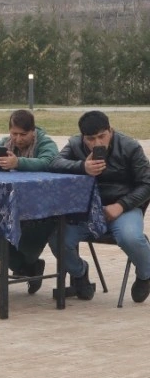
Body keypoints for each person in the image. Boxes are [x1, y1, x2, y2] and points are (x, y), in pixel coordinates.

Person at [50, 111, 150, 304]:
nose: (97, 143)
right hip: (86, 210)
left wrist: (121, 205)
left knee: (131, 237)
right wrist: (82, 166)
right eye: (91, 139)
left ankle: (145, 275)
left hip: (123, 208)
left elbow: (147, 184)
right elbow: (54, 163)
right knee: (57, 239)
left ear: (110, 131)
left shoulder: (130, 147)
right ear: (83, 137)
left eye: (102, 136)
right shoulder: (75, 144)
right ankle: (80, 273)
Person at [0, 109, 59, 292]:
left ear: (33, 131)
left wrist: (18, 163)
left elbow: (49, 162)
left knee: (32, 234)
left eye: (23, 134)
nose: (18, 139)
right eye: (14, 134)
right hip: (5, 206)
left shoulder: (45, 143)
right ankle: (28, 267)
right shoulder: (5, 143)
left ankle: (26, 265)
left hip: (39, 209)